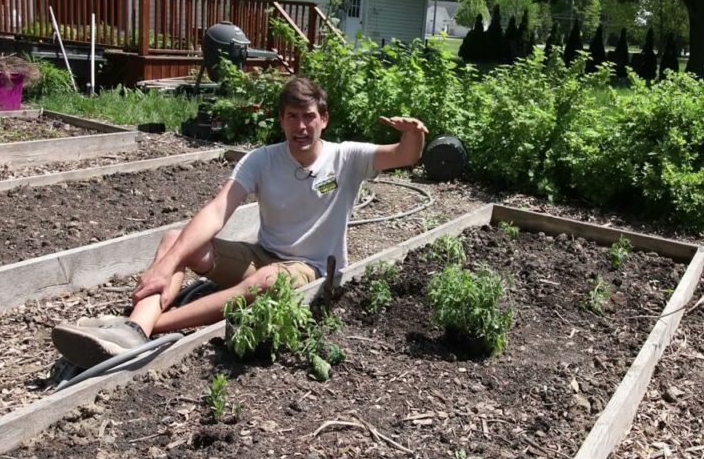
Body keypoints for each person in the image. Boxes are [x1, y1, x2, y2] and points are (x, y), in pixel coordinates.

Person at [52, 77, 428, 369]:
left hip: (313, 270)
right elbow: (218, 210)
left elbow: (403, 155)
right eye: (292, 117)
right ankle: (132, 330)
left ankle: (146, 328)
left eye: (309, 116)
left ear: (324, 119)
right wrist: (167, 264)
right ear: (281, 120)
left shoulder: (347, 157)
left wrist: (414, 135)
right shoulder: (261, 160)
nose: (301, 126)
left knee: (268, 282)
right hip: (264, 255)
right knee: (176, 240)